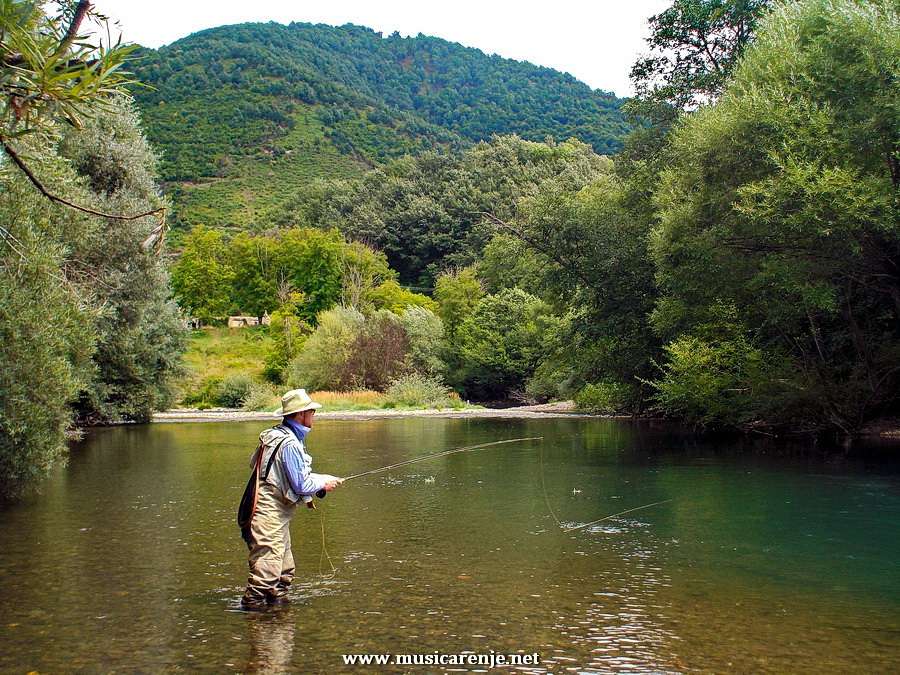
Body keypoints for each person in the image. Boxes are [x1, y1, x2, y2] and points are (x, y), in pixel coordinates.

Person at [241, 388, 343, 610]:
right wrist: (323, 483)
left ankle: (277, 617)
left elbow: (287, 476)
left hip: (271, 511)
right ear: (300, 415)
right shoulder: (290, 443)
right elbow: (301, 484)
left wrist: (323, 479)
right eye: (311, 412)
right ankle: (254, 616)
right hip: (267, 513)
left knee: (284, 572)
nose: (314, 415)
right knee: (267, 572)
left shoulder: (275, 435)